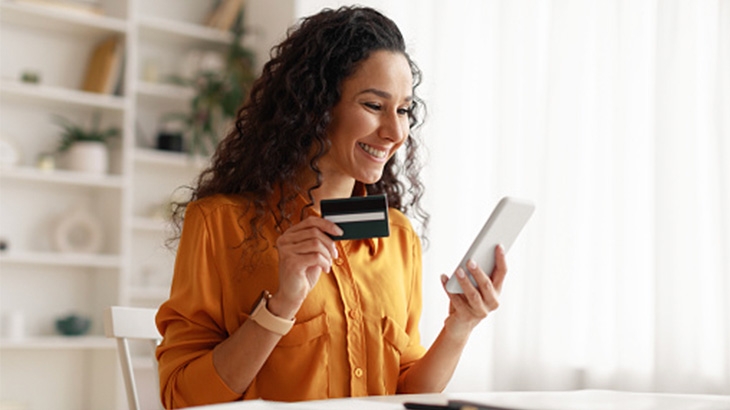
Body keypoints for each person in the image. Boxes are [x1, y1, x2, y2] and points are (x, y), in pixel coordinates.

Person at [155, 5, 507, 408]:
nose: (395, 132)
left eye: (404, 110)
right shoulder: (219, 225)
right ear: (316, 107)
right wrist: (281, 306)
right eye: (374, 106)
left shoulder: (397, 236)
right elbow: (180, 398)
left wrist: (459, 326)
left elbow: (406, 395)